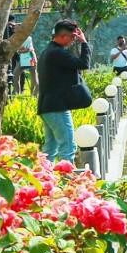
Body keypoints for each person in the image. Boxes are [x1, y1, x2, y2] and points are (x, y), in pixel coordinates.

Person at [37, 19, 91, 164]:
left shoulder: (48, 51)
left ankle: (44, 181)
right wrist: (84, 43)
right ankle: (68, 182)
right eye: (73, 37)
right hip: (57, 107)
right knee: (68, 146)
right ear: (62, 36)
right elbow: (84, 64)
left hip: (47, 107)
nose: (74, 40)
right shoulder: (57, 53)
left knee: (50, 149)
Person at [16, 30, 37, 95]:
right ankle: (17, 93)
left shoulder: (28, 38)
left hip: (31, 57)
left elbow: (29, 49)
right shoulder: (18, 38)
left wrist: (21, 50)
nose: (14, 30)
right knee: (15, 74)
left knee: (33, 77)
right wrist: (21, 50)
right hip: (23, 58)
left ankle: (33, 93)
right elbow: (18, 50)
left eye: (16, 28)